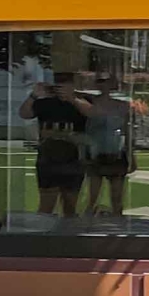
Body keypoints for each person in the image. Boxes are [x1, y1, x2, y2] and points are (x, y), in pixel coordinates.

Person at [20, 79, 88, 219]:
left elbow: (93, 113)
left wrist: (73, 98)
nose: (61, 88)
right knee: (46, 205)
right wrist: (34, 95)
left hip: (72, 159)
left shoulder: (80, 103)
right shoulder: (45, 103)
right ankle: (44, 236)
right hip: (48, 158)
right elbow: (24, 113)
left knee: (70, 206)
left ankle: (68, 236)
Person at [77, 82, 135, 222]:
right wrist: (83, 153)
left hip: (115, 153)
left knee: (116, 196)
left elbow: (127, 133)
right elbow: (84, 132)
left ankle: (117, 222)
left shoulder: (122, 106)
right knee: (93, 195)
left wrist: (131, 155)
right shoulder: (89, 106)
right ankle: (89, 220)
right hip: (96, 153)